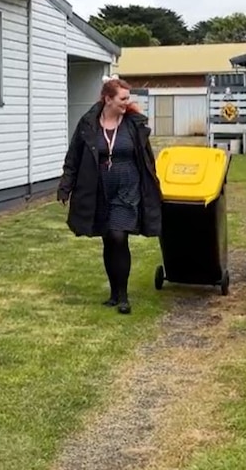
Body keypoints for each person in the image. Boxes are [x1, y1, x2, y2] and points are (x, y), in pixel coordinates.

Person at [57, 76, 163, 314]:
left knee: (118, 236)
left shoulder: (133, 124)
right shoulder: (89, 124)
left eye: (128, 98)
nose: (128, 102)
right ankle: (114, 294)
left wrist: (152, 186)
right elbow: (73, 156)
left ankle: (124, 296)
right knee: (107, 238)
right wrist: (66, 186)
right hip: (99, 189)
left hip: (127, 189)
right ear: (108, 99)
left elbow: (147, 159)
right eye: (123, 98)